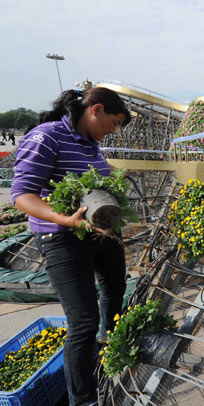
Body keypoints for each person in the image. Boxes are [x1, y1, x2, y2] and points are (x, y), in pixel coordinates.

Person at [11, 87, 131, 406]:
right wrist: (62, 219)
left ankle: (111, 354)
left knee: (114, 291)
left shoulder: (91, 143)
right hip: (61, 235)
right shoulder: (46, 137)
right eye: (115, 122)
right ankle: (84, 399)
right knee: (83, 321)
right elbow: (22, 194)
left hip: (99, 231)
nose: (114, 130)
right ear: (97, 110)